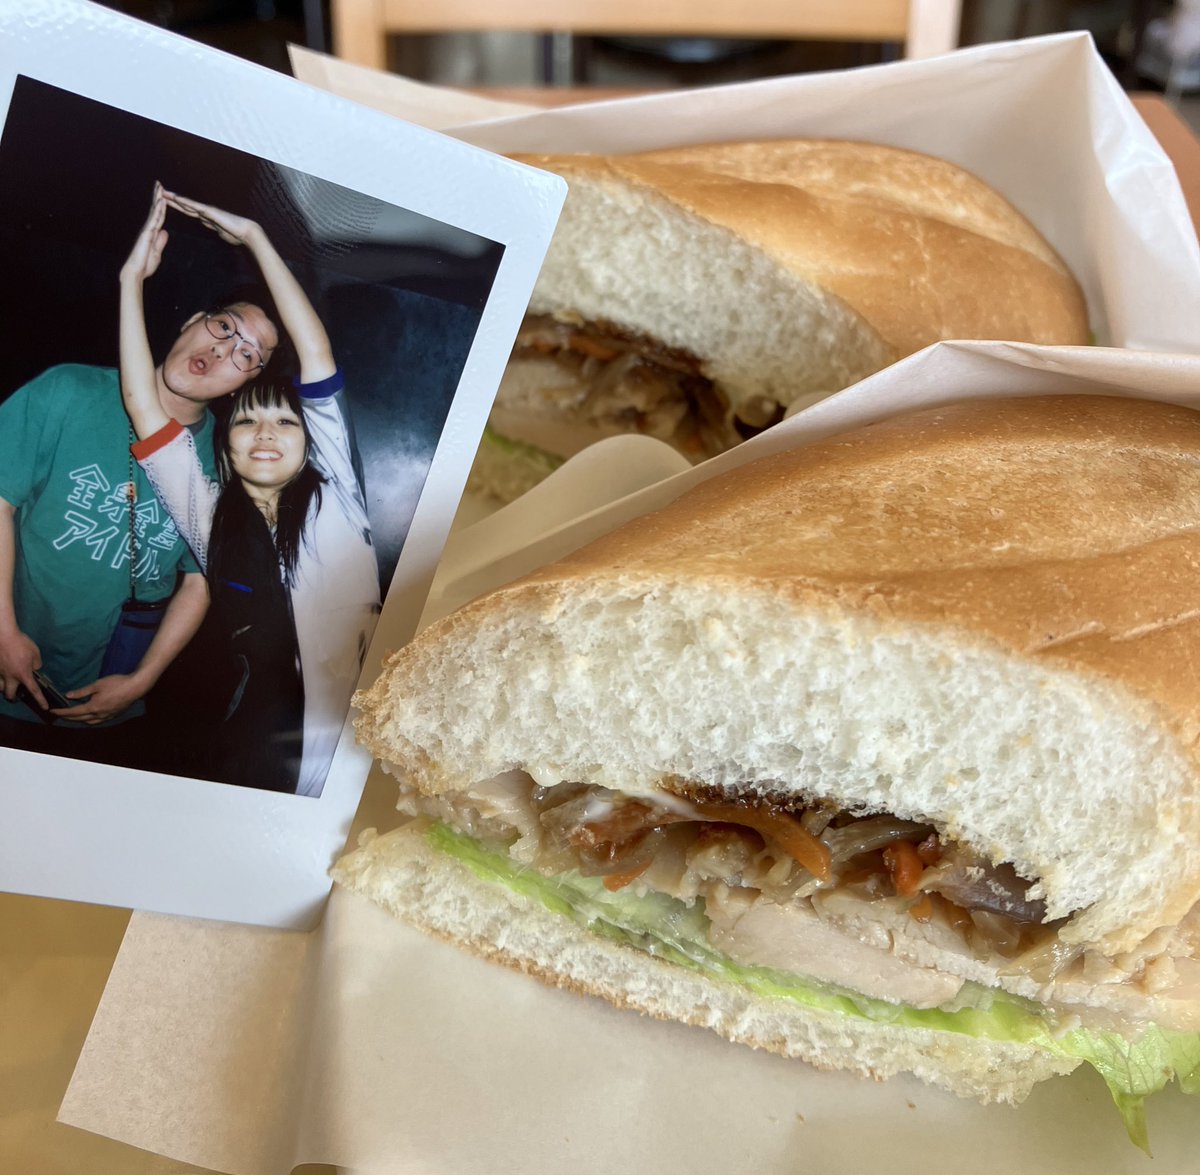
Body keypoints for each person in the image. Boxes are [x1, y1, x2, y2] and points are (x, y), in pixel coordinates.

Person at [121, 184, 381, 797]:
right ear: (228, 446)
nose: (266, 433)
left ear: (309, 440)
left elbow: (314, 351)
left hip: (354, 760)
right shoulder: (208, 516)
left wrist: (257, 237)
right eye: (246, 421)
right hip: (252, 766)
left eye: (286, 422)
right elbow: (142, 403)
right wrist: (132, 278)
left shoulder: (338, 496)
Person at [0, 210, 280, 768]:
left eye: (247, 355)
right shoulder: (68, 390)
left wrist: (141, 682)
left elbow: (200, 585)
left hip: (110, 702)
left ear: (245, 384)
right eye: (225, 327)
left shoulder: (225, 466)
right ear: (195, 321)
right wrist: (4, 630)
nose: (225, 351)